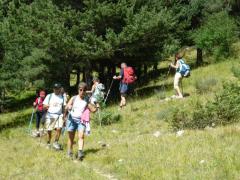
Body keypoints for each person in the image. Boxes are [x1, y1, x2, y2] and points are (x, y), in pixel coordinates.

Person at [64, 82, 96, 160]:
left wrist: (96, 106)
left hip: (81, 121)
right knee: (71, 138)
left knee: (81, 136)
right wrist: (68, 107)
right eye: (80, 90)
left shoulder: (87, 100)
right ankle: (69, 152)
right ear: (78, 90)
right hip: (71, 120)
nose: (82, 92)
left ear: (86, 91)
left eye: (84, 90)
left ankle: (80, 152)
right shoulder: (74, 98)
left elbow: (93, 110)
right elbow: (67, 106)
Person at [43, 83, 66, 150]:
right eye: (55, 88)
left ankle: (55, 142)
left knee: (59, 129)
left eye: (58, 88)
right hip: (50, 115)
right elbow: (44, 106)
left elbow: (64, 108)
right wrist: (46, 106)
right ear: (53, 89)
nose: (56, 90)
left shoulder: (62, 97)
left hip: (59, 115)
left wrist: (64, 117)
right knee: (49, 131)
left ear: (60, 89)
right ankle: (48, 143)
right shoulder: (49, 96)